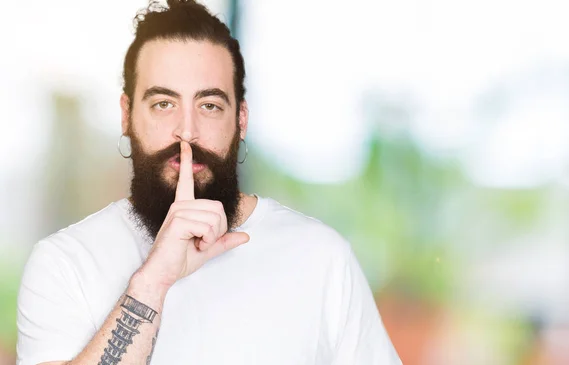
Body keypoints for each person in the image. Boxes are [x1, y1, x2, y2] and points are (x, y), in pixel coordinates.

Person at [16, 1, 403, 364]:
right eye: (163, 104)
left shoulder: (323, 259)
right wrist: (153, 281)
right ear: (126, 115)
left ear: (241, 121)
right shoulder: (63, 263)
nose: (187, 131)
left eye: (210, 106)